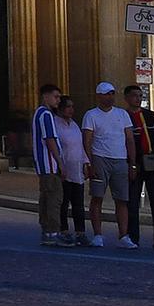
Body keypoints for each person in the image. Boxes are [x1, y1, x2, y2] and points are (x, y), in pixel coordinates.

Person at [79, 81, 136, 249]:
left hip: (120, 159)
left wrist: (132, 164)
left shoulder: (122, 114)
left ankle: (124, 235)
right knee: (97, 197)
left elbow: (130, 139)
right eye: (106, 94)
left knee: (122, 199)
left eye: (112, 93)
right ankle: (98, 234)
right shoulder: (91, 115)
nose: (110, 97)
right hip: (99, 158)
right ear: (99, 96)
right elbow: (87, 140)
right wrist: (89, 162)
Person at [121, 84, 154, 250]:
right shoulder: (123, 117)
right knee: (132, 202)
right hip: (134, 161)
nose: (138, 99)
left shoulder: (150, 115)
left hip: (151, 161)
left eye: (140, 95)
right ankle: (133, 237)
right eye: (134, 96)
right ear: (127, 98)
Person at [30, 83, 66, 245]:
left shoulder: (38, 113)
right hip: (50, 164)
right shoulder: (46, 115)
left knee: (46, 198)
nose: (58, 100)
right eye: (56, 96)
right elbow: (50, 139)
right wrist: (60, 163)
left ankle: (47, 231)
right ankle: (53, 231)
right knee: (54, 199)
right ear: (46, 96)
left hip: (43, 165)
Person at [52, 96, 89, 246]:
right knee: (63, 202)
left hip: (77, 168)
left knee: (78, 203)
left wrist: (86, 163)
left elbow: (80, 146)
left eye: (72, 107)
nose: (71, 110)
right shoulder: (55, 124)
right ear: (60, 108)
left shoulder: (73, 124)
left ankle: (80, 232)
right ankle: (64, 230)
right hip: (64, 168)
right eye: (68, 107)